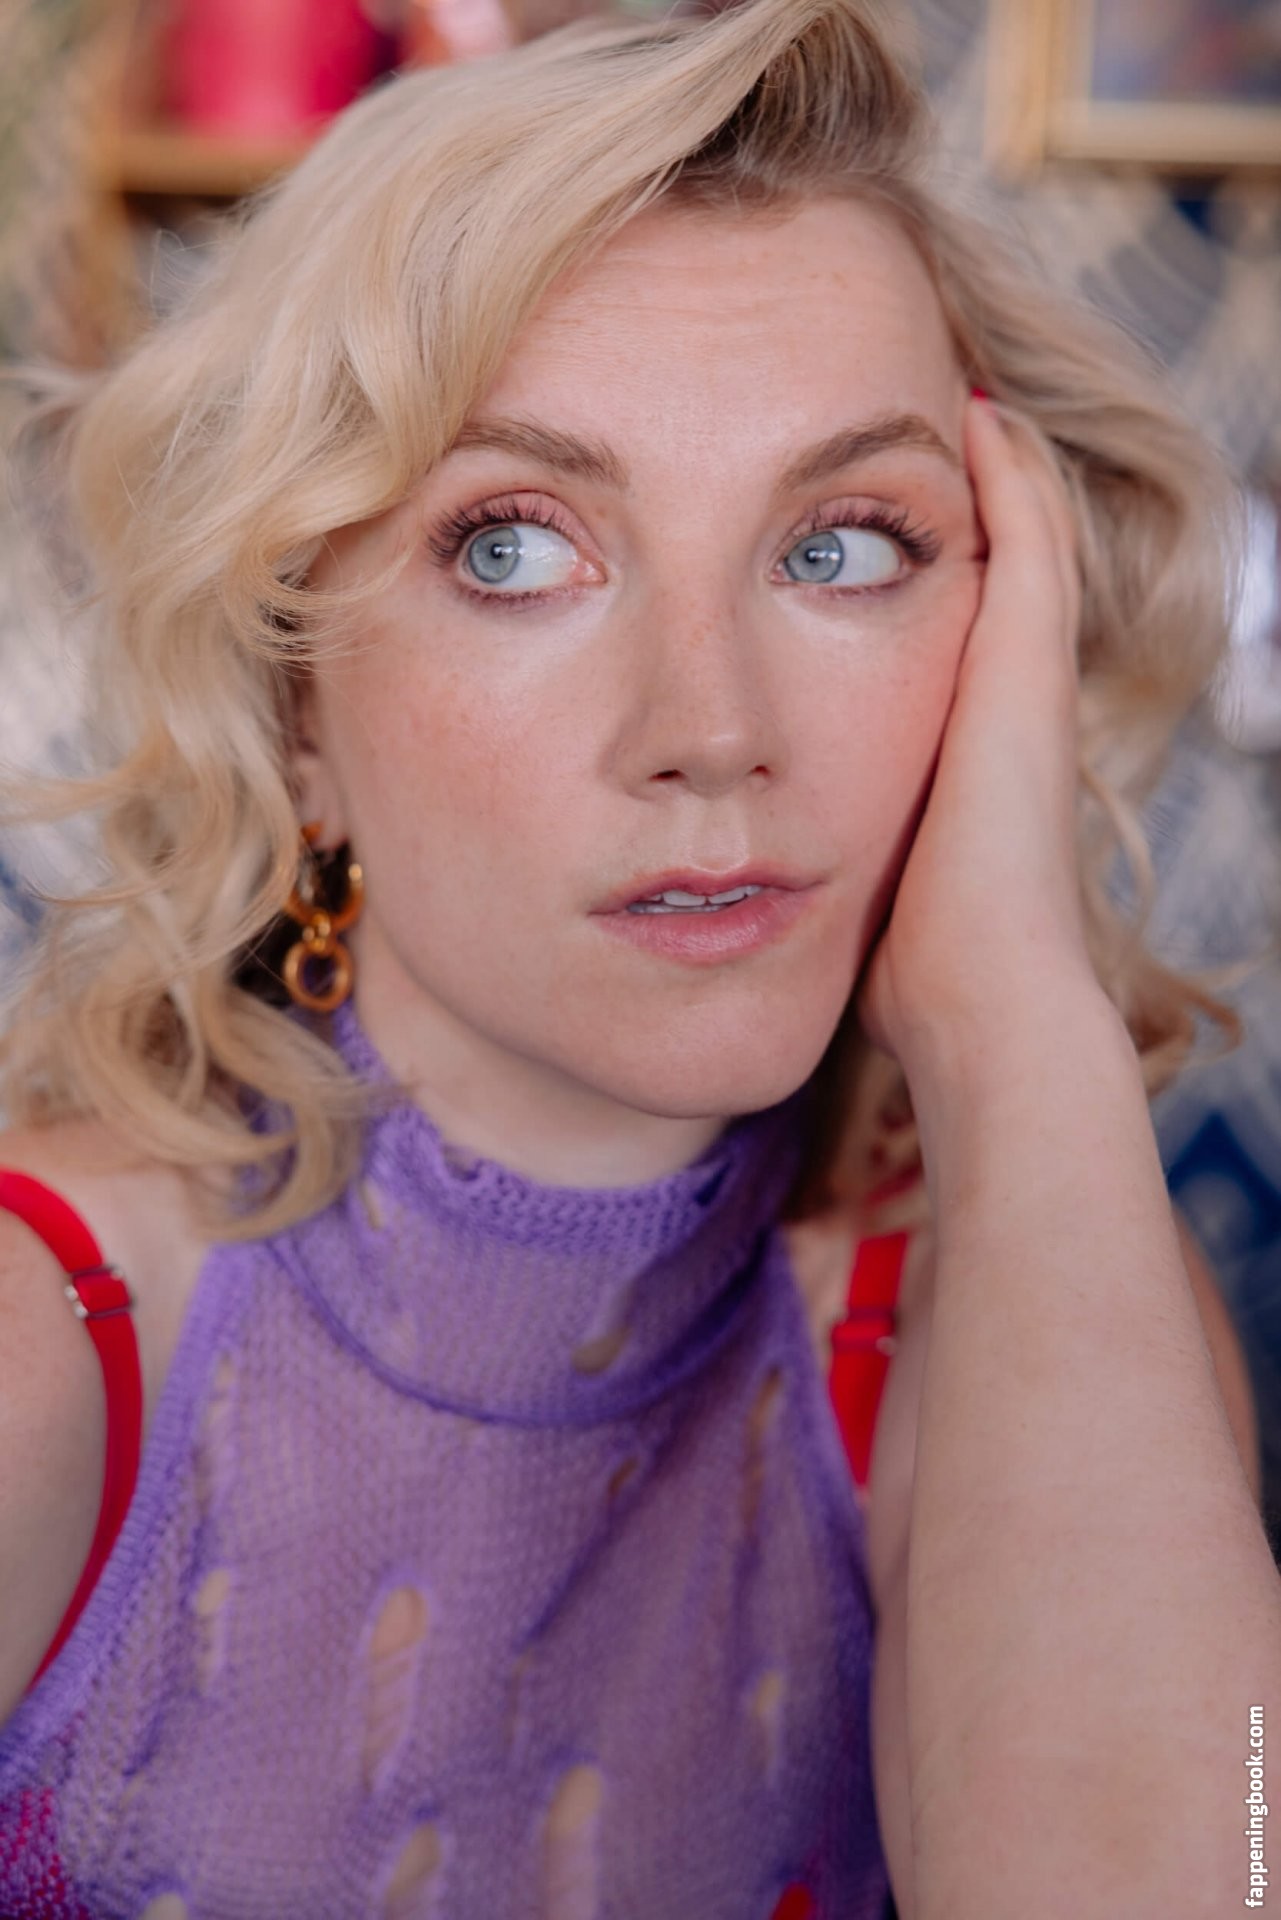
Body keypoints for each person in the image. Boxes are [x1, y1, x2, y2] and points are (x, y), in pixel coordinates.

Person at [0, 1, 1276, 1914]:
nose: (711, 728)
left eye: (843, 546)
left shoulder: (1036, 1286)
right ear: (293, 710)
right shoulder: (48, 1338)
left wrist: (1014, 1015)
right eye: (514, 547)